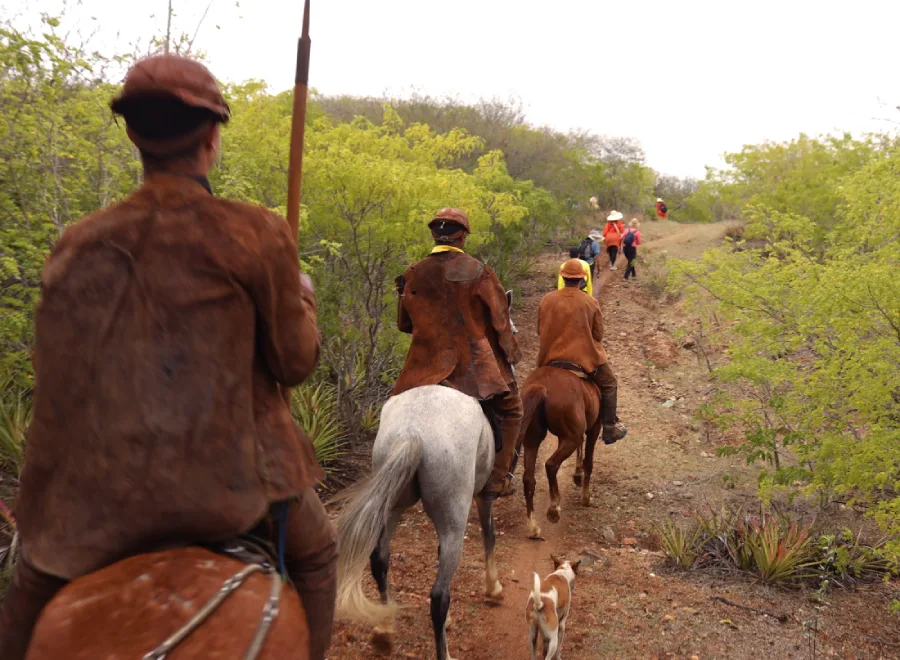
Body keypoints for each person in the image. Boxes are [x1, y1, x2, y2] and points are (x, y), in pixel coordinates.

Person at [0, 55, 337, 660]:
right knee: (318, 557)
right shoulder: (256, 232)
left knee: (24, 597)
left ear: (131, 134)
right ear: (212, 136)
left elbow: (55, 377)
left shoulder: (75, 243)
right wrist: (303, 303)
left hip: (91, 494)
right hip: (233, 486)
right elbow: (294, 363)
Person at [394, 208, 523, 497]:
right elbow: (501, 322)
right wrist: (511, 354)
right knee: (513, 410)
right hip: (471, 365)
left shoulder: (412, 273)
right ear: (462, 236)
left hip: (423, 365)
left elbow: (404, 324)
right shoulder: (479, 271)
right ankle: (499, 479)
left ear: (433, 235)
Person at [538, 259, 626, 444]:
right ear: (583, 280)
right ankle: (610, 429)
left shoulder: (547, 299)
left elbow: (540, 330)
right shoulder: (590, 302)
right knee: (610, 384)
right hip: (583, 358)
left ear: (562, 277)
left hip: (550, 357)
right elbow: (598, 335)